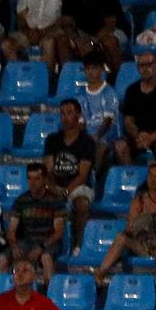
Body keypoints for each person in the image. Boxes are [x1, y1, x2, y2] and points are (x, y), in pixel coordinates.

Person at [98, 162, 156, 284]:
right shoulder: (139, 201)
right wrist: (142, 223)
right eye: (150, 175)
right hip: (146, 243)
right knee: (121, 237)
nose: (153, 179)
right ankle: (100, 273)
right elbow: (130, 228)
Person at [43, 98, 99, 241]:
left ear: (78, 115)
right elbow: (48, 170)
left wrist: (66, 191)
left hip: (78, 186)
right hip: (55, 185)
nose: (65, 117)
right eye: (62, 113)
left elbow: (83, 175)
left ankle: (78, 245)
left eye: (69, 113)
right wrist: (54, 188)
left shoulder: (87, 141)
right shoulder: (52, 139)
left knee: (82, 203)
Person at [59, 0, 126, 68]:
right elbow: (67, 23)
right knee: (62, 40)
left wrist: (92, 42)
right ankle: (68, 78)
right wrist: (77, 40)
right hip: (82, 33)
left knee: (109, 42)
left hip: (111, 31)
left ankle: (117, 78)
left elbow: (110, 24)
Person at [5, 161, 68, 279]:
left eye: (37, 179)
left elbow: (58, 232)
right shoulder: (21, 201)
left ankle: (48, 292)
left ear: (44, 180)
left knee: (46, 257)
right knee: (4, 258)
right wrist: (14, 246)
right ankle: (1, 291)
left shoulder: (55, 201)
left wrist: (42, 246)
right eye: (29, 179)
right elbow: (12, 230)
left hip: (48, 242)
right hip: (27, 241)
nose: (32, 183)